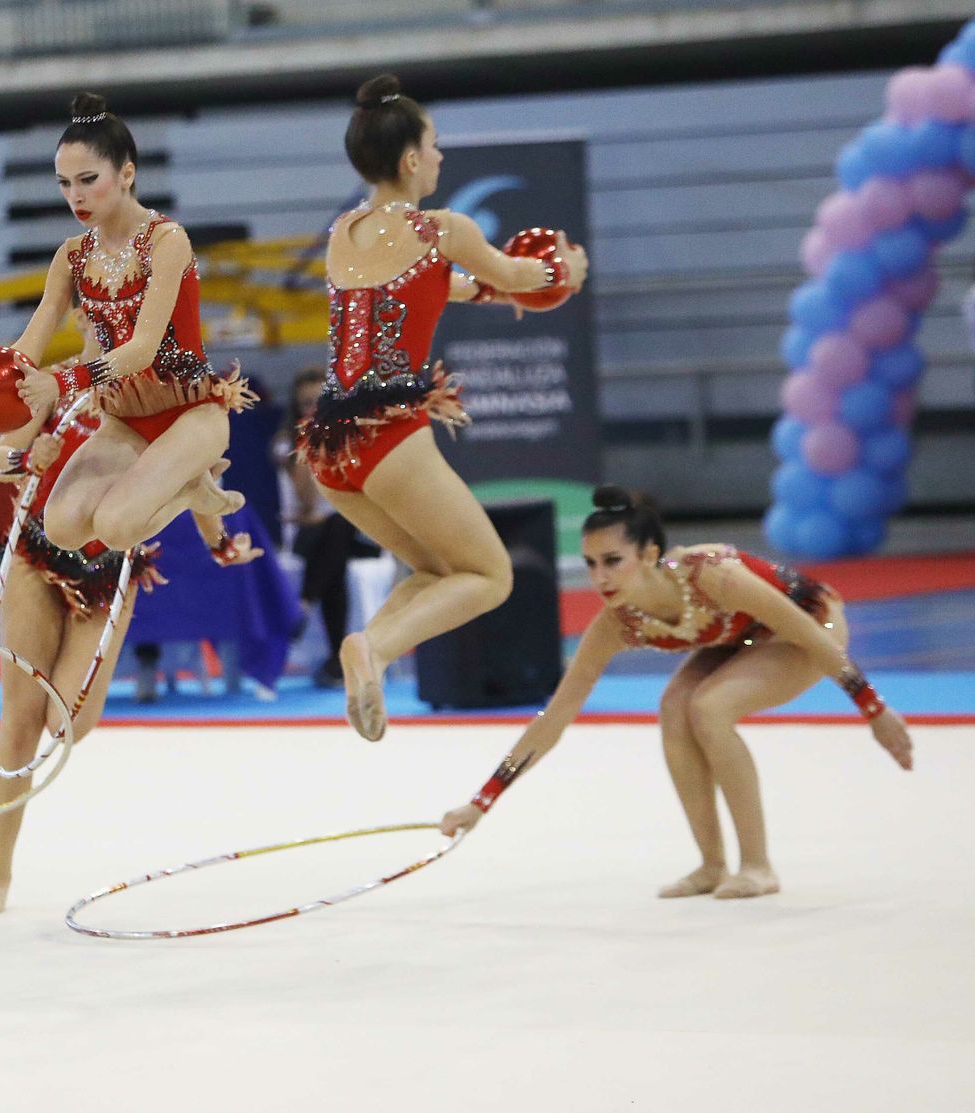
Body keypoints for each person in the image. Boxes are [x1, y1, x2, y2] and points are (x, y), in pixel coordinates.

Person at [439, 485, 914, 899]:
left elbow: (808, 633)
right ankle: (711, 866)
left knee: (710, 706)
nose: (599, 578)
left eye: (612, 561)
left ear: (648, 554)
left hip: (810, 626)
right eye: (589, 564)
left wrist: (873, 709)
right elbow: (556, 716)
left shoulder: (712, 576)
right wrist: (482, 801)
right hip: (739, 637)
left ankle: (758, 866)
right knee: (673, 707)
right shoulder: (616, 624)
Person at [297, 73, 589, 740]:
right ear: (409, 160)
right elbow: (516, 273)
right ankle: (370, 648)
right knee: (490, 574)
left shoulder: (346, 230)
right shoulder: (443, 226)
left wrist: (489, 293)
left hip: (331, 448)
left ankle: (368, 648)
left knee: (434, 571)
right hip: (391, 437)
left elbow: (436, 287)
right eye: (434, 146)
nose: (440, 157)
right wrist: (564, 271)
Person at [0, 339, 262, 914]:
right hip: (38, 560)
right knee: (20, 724)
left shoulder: (168, 397)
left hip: (111, 573)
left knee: (69, 721)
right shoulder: (56, 387)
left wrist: (221, 546)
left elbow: (196, 480)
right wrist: (33, 458)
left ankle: (0, 866)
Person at [0, 91, 254, 554]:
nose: (76, 196)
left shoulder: (166, 240)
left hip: (190, 413)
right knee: (63, 530)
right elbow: (28, 348)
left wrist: (63, 382)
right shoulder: (71, 256)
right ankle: (190, 488)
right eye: (64, 183)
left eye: (88, 179)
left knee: (116, 528)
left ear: (126, 173)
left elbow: (143, 349)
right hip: (124, 420)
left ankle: (191, 491)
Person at [283, 367, 381, 688]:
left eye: (317, 402)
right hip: (308, 535)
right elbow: (305, 505)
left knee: (336, 528)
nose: (312, 409)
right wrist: (311, 446)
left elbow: (360, 495)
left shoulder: (351, 439)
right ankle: (337, 663)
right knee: (332, 556)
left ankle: (305, 602)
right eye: (306, 403)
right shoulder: (288, 445)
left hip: (348, 530)